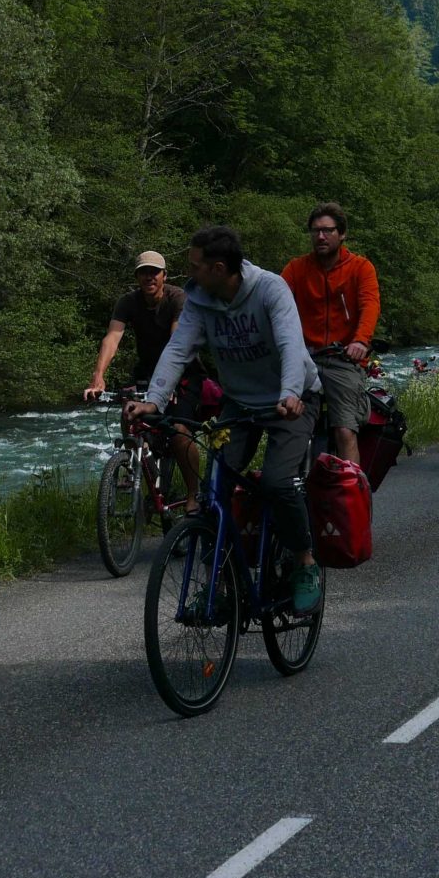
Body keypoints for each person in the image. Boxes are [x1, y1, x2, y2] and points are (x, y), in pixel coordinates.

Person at [129, 225, 325, 615]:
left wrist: (289, 392)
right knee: (213, 493)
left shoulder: (270, 289)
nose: (189, 273)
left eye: (195, 265)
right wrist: (154, 401)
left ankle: (304, 562)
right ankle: (217, 584)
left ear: (219, 268)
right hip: (239, 404)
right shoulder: (200, 299)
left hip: (293, 400)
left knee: (277, 482)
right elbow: (178, 349)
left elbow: (290, 343)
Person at [83, 249, 203, 511]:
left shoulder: (177, 298)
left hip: (184, 372)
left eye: (154, 272)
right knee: (129, 414)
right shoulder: (128, 302)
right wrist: (98, 377)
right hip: (147, 371)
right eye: (143, 272)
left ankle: (194, 494)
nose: (149, 277)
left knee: (179, 431)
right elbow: (112, 338)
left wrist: (168, 382)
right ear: (137, 277)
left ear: (164, 275)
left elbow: (177, 344)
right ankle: (141, 470)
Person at [281, 202, 380, 463]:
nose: (321, 236)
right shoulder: (296, 269)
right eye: (315, 231)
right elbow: (276, 304)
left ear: (342, 233)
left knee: (345, 430)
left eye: (327, 230)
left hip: (342, 357)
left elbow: (370, 305)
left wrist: (360, 341)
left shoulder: (360, 268)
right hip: (304, 358)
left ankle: (351, 486)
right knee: (286, 423)